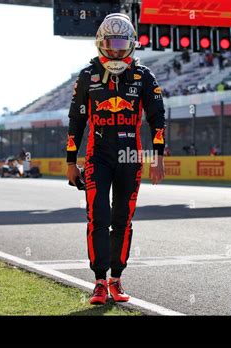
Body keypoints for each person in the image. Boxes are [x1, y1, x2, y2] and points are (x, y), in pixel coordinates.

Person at [66, 13, 165, 305]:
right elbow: (76, 122)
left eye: (123, 44)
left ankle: (116, 279)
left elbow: (157, 118)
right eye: (112, 43)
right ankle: (98, 282)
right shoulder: (87, 76)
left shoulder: (144, 75)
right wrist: (71, 162)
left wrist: (158, 157)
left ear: (131, 44)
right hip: (97, 156)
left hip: (131, 156)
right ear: (101, 42)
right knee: (99, 217)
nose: (118, 50)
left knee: (123, 219)